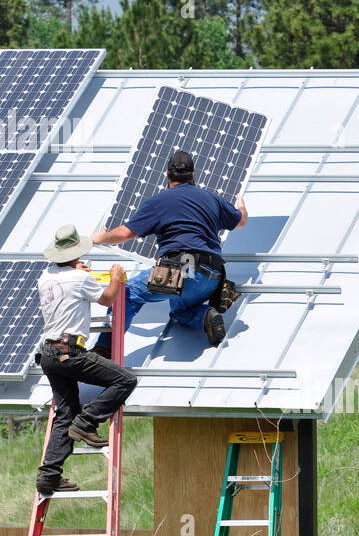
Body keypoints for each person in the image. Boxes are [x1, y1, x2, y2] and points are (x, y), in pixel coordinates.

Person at [91, 149, 247, 349]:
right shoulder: (213, 199)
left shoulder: (159, 201)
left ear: (167, 174)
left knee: (127, 294)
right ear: (193, 174)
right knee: (179, 310)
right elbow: (240, 220)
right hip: (213, 277)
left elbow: (125, 233)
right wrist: (241, 206)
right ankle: (206, 315)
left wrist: (100, 237)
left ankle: (104, 349)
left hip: (180, 269)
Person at [34, 223, 137, 497]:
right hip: (70, 353)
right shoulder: (81, 279)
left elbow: (66, 280)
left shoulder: (45, 278)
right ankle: (87, 422)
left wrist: (77, 270)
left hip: (48, 354)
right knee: (125, 380)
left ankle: (48, 477)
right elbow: (107, 299)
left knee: (64, 413)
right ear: (76, 255)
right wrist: (115, 276)